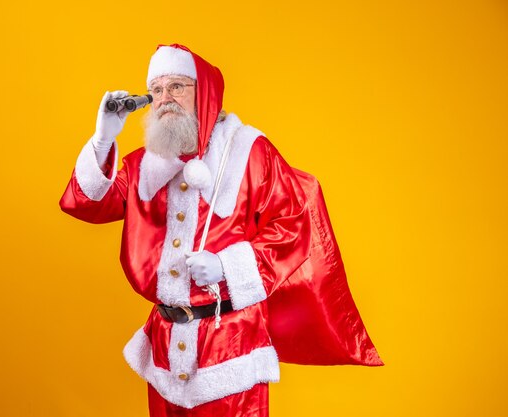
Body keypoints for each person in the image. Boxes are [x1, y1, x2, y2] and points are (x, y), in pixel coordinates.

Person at [59, 44, 381, 417]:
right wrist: (103, 140)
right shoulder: (145, 165)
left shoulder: (248, 151)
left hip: (231, 345)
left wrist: (228, 267)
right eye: (157, 89)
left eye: (177, 86)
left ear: (204, 92)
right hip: (165, 347)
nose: (165, 98)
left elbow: (293, 222)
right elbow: (88, 203)